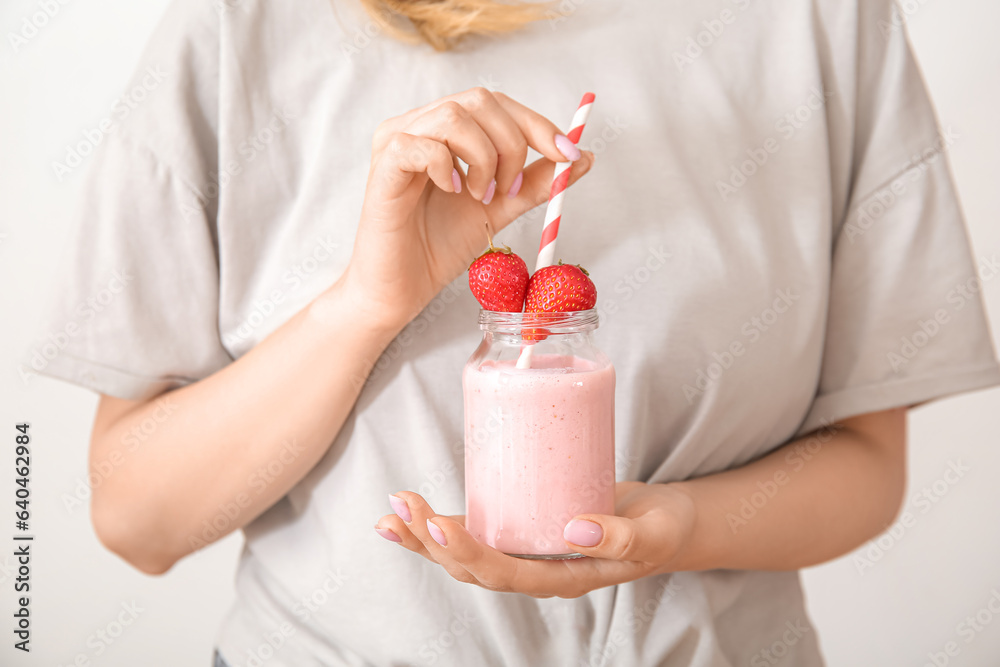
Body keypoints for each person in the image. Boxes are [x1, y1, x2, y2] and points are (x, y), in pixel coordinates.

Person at [41, 0, 1000, 665]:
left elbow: (870, 464)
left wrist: (678, 530)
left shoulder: (827, 21)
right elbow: (138, 518)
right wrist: (367, 303)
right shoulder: (238, 26)